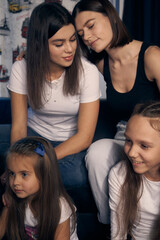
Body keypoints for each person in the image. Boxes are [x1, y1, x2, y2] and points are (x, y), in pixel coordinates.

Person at [72, 0, 160, 224]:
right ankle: (112, 225)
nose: (87, 37)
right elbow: (59, 58)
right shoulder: (101, 64)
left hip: (155, 139)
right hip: (125, 136)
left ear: (110, 16)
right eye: (81, 33)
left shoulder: (151, 56)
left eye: (91, 26)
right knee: (97, 154)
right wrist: (29, 61)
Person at [0, 2, 100, 194]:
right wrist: (15, 165)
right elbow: (19, 126)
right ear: (39, 44)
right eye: (59, 44)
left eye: (72, 40)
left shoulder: (88, 72)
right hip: (33, 134)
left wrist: (41, 160)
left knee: (74, 176)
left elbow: (84, 137)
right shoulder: (21, 68)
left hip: (68, 142)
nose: (70, 49)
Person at [0, 136, 78, 240]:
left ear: (44, 175)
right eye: (12, 173)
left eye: (24, 174)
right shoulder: (12, 197)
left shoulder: (60, 207)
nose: (15, 182)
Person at [108, 101, 160, 239]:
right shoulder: (119, 175)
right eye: (128, 141)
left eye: (144, 145)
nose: (131, 153)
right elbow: (118, 234)